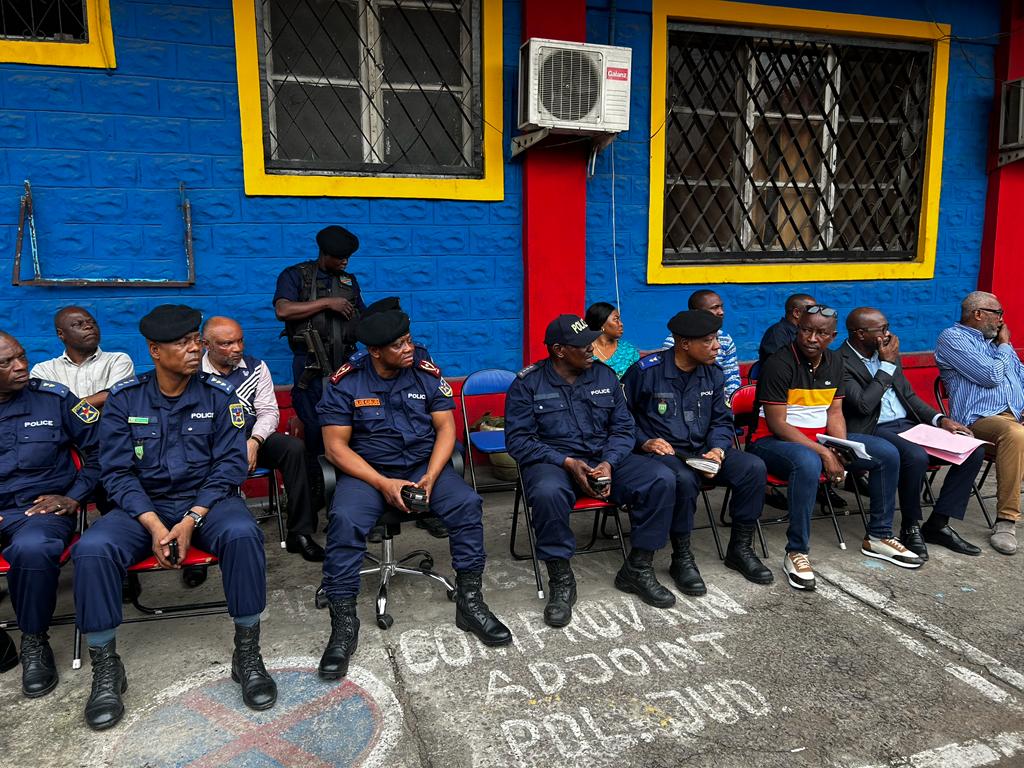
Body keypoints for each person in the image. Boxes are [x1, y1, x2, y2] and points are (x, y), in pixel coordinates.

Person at [72, 305, 276, 731]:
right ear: (154, 350)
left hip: (207, 502)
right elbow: (116, 472)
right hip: (142, 505)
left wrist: (190, 519)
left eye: (195, 340)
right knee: (92, 548)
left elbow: (229, 467)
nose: (194, 348)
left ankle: (247, 652)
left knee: (243, 534)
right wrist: (153, 524)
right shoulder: (124, 399)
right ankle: (106, 667)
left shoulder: (220, 396)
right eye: (182, 343)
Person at [316, 306, 511, 680]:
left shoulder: (424, 372)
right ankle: (343, 626)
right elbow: (335, 448)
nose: (409, 349)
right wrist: (383, 483)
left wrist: (432, 476)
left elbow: (446, 429)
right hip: (368, 474)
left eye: (408, 340)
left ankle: (470, 603)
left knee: (467, 504)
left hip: (424, 468)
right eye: (398, 345)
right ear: (375, 351)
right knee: (345, 520)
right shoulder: (347, 382)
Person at [505, 314, 677, 628]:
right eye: (582, 345)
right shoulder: (528, 383)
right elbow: (518, 441)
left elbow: (624, 429)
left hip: (603, 459)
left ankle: (638, 568)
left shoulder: (604, 376)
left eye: (591, 342)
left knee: (661, 478)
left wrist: (609, 461)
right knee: (547, 492)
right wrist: (566, 462)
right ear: (559, 350)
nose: (591, 349)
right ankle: (561, 578)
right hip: (554, 463)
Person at [748, 305, 922, 590]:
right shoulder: (779, 363)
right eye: (806, 330)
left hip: (819, 439)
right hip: (773, 442)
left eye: (820, 333)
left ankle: (878, 536)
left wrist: (839, 447)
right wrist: (825, 453)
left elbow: (835, 412)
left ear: (832, 336)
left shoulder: (834, 361)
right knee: (807, 462)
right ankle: (796, 552)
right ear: (797, 330)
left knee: (886, 453)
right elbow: (778, 424)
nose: (811, 338)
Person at [624, 310, 773, 593]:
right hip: (663, 454)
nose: (717, 346)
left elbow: (721, 421)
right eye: (708, 341)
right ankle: (681, 557)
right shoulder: (646, 372)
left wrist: (717, 449)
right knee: (683, 478)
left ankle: (740, 549)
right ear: (684, 344)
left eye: (715, 339)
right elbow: (621, 419)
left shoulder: (713, 374)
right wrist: (644, 441)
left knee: (753, 467)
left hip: (703, 451)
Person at [0, 331, 100, 698]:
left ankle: (33, 639)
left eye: (21, 356)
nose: (20, 366)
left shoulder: (55, 399)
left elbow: (103, 451)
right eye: (6, 363)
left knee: (33, 548)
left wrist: (74, 496)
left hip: (40, 510)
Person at [841, 307, 983, 559]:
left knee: (973, 450)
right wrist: (886, 365)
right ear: (860, 334)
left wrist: (941, 419)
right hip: (873, 429)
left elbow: (908, 396)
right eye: (882, 329)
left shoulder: (887, 354)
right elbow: (863, 405)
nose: (888, 334)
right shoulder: (840, 361)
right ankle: (910, 526)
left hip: (908, 425)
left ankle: (938, 523)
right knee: (915, 456)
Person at [202, 316, 324, 561]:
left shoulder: (256, 368)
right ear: (206, 344)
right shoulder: (194, 373)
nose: (237, 348)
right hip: (209, 443)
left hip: (251, 437)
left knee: (293, 448)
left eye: (240, 341)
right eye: (227, 344)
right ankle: (201, 537)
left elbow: (268, 412)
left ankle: (299, 532)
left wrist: (254, 441)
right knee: (193, 457)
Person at [935, 291, 1024, 556]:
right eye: (998, 314)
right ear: (978, 314)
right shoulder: (952, 338)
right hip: (978, 421)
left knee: (1016, 431)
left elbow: (1020, 376)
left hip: (1015, 416)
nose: (1001, 320)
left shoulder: (996, 344)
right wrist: (1005, 345)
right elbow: (990, 375)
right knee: (1015, 434)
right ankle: (1006, 521)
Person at [273, 225, 366, 459]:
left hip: (346, 366)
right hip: (310, 366)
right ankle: (317, 477)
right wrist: (327, 303)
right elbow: (283, 310)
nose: (345, 262)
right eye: (340, 257)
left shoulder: (348, 282)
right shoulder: (296, 275)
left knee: (350, 423)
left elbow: (363, 318)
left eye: (348, 257)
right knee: (314, 427)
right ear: (324, 253)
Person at [30, 307, 135, 410]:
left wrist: (63, 408)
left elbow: (116, 400)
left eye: (92, 322)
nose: (88, 326)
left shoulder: (117, 360)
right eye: (78, 324)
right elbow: (45, 409)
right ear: (60, 334)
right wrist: (100, 398)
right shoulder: (44, 370)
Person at [660, 290, 742, 401]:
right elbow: (666, 380)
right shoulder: (674, 341)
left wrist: (727, 403)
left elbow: (732, 377)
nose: (721, 312)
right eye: (714, 308)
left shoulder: (726, 339)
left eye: (721, 307)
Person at [586, 302, 640, 379]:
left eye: (619, 319)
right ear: (601, 323)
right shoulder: (584, 351)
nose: (621, 324)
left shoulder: (629, 351)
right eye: (616, 319)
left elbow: (638, 379)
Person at [758, 293, 816, 364]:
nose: (815, 315)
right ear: (796, 313)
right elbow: (777, 364)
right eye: (812, 311)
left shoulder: (802, 332)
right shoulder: (777, 333)